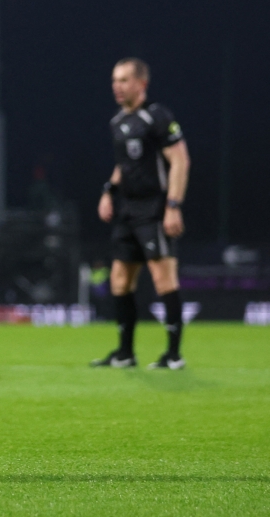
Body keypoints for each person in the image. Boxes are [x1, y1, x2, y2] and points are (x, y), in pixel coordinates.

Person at [92, 58, 190, 369]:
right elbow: (125, 166)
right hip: (127, 211)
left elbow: (180, 161)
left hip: (154, 209)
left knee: (163, 279)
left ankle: (173, 355)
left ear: (141, 84)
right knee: (120, 281)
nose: (116, 87)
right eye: (113, 81)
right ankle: (125, 353)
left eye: (123, 80)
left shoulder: (157, 117)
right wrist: (108, 190)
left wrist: (173, 206)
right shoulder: (117, 122)